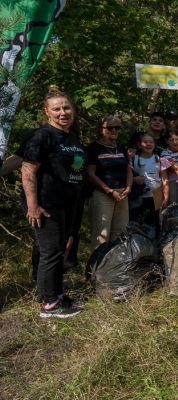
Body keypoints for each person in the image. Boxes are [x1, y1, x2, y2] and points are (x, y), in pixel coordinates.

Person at [21, 90, 86, 317]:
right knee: (50, 252)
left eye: (66, 108)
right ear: (46, 112)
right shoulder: (42, 135)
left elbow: (74, 168)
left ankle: (55, 294)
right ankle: (49, 306)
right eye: (56, 109)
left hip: (68, 201)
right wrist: (33, 206)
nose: (62, 113)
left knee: (61, 250)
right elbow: (28, 169)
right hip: (47, 202)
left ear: (73, 110)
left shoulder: (72, 136)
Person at [86, 116, 133, 252]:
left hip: (122, 195)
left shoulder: (121, 148)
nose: (114, 130)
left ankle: (115, 266)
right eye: (110, 127)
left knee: (120, 232)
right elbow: (91, 174)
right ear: (101, 129)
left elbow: (128, 171)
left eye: (117, 128)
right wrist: (110, 191)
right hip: (102, 195)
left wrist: (128, 188)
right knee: (102, 235)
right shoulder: (94, 148)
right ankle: (98, 269)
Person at [129, 133, 168, 234]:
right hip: (141, 196)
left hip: (156, 195)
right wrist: (134, 179)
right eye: (145, 142)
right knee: (142, 222)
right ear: (139, 145)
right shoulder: (134, 159)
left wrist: (166, 197)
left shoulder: (159, 159)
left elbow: (165, 179)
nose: (148, 144)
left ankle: (156, 246)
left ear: (155, 145)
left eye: (151, 142)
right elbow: (128, 175)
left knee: (156, 223)